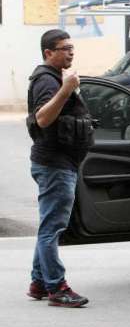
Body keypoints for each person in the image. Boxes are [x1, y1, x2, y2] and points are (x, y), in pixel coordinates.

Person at [26, 29, 91, 308]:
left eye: (72, 47)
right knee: (51, 228)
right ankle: (56, 287)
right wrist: (66, 89)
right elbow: (42, 118)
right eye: (65, 48)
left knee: (48, 225)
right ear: (48, 53)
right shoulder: (47, 80)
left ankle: (39, 282)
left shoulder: (52, 77)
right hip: (54, 164)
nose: (71, 52)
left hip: (57, 163)